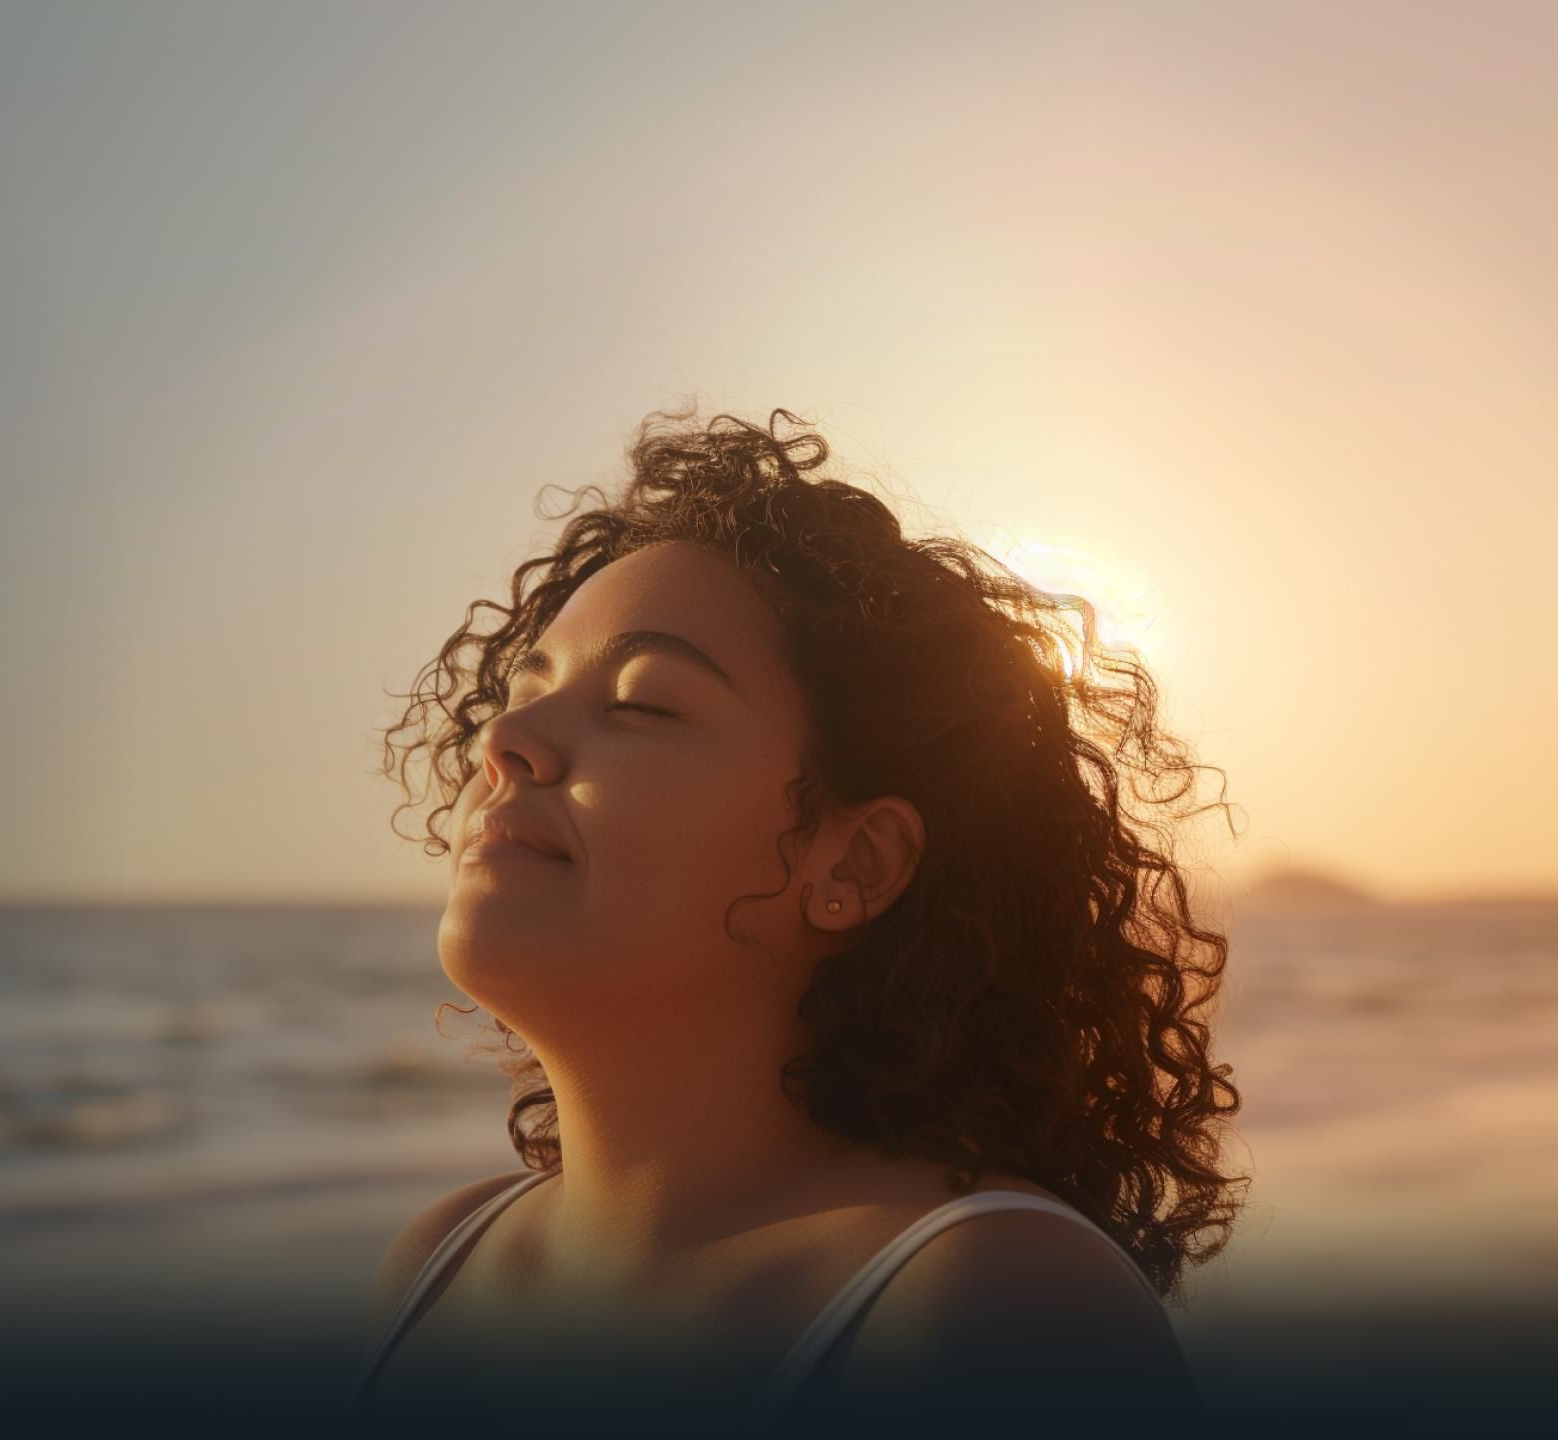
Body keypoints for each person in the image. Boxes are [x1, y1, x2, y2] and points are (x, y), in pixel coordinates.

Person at [356, 403, 1246, 1413]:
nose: (507, 738)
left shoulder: (984, 1302)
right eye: (528, 686)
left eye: (643, 702)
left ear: (857, 863)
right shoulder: (433, 1271)